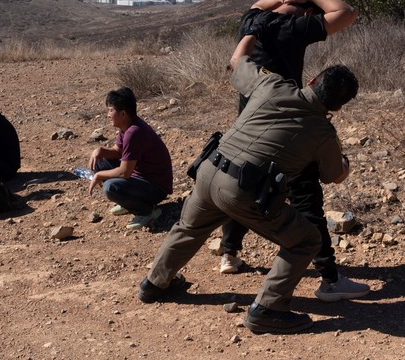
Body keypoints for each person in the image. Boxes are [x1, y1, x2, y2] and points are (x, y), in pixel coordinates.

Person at [136, 34, 359, 334]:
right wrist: (345, 162)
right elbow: (334, 175)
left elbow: (236, 61)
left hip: (209, 171)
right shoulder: (324, 132)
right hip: (243, 191)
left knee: (189, 228)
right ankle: (268, 309)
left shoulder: (273, 84)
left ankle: (154, 284)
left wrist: (249, 33)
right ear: (339, 107)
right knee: (306, 240)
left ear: (313, 80)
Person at [218, 0, 369, 303]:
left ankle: (229, 253)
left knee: (245, 181)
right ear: (309, 10)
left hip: (248, 121)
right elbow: (346, 13)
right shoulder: (296, 27)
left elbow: (258, 3)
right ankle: (329, 279)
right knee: (305, 194)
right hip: (286, 122)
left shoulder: (253, 21)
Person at [88, 87, 173, 230]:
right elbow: (118, 151)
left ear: (122, 113)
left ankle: (147, 211)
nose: (108, 115)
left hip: (155, 187)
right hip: (140, 178)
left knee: (111, 187)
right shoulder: (126, 126)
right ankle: (129, 202)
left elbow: (124, 172)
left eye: (110, 110)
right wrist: (100, 150)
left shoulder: (134, 132)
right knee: (100, 162)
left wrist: (98, 175)